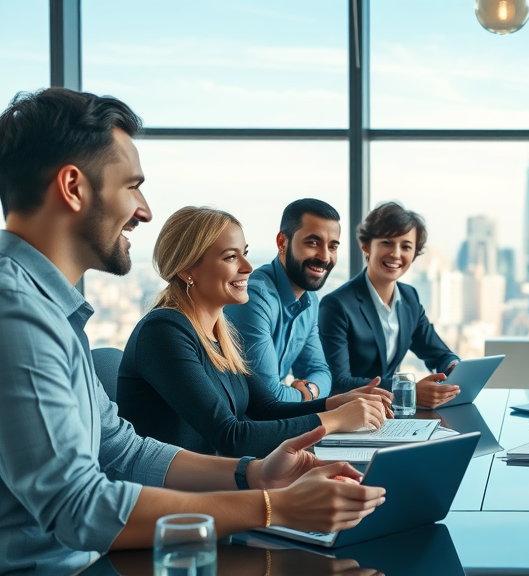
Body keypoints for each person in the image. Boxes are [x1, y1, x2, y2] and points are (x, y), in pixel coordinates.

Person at [0, 88, 384, 573]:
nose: (144, 210)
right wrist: (273, 506)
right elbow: (78, 507)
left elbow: (121, 449)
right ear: (74, 187)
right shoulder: (16, 312)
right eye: (132, 186)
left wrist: (256, 473)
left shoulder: (53, 309)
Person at [118, 206, 389, 458]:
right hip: (174, 498)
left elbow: (266, 409)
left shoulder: (220, 333)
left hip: (215, 482)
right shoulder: (164, 333)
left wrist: (335, 404)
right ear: (188, 270)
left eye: (244, 254)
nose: (247, 268)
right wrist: (336, 419)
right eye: (231, 257)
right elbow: (231, 436)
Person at [224, 198, 391, 410]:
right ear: (282, 243)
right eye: (313, 243)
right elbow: (267, 398)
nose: (325, 256)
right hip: (236, 429)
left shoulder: (309, 300)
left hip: (273, 421)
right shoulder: (255, 297)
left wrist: (310, 390)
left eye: (332, 246)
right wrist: (310, 396)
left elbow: (321, 372)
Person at [320, 201, 462, 409]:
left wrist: (453, 368)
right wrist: (407, 391)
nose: (396, 254)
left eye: (406, 246)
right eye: (387, 242)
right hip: (352, 414)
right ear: (366, 246)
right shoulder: (336, 305)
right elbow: (339, 382)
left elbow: (438, 353)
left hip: (393, 416)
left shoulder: (409, 297)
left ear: (415, 253)